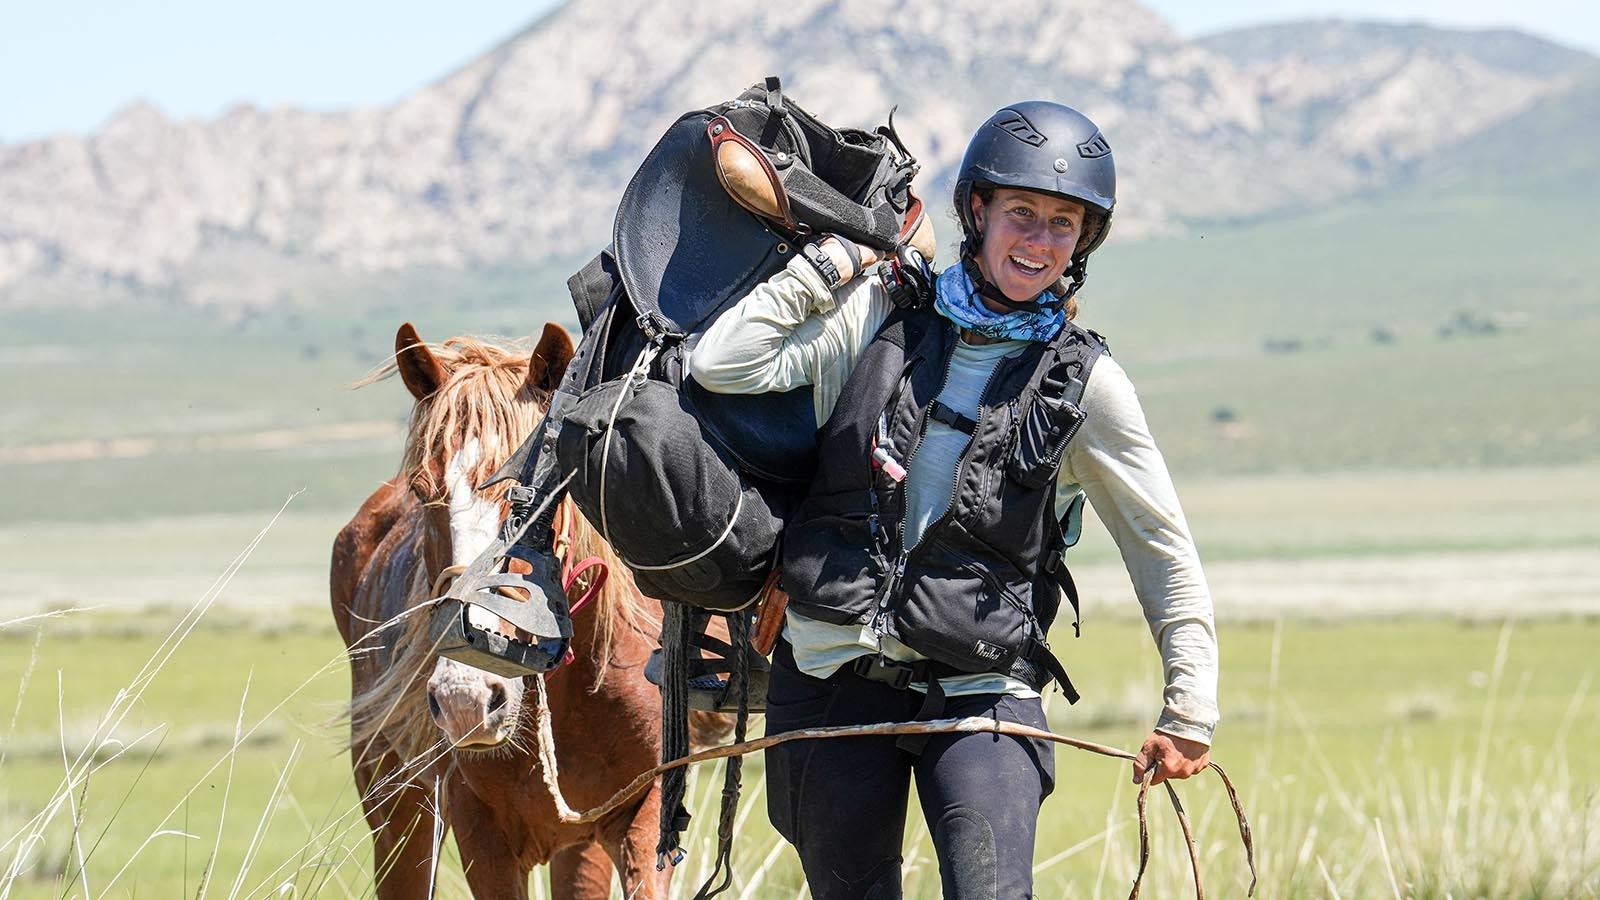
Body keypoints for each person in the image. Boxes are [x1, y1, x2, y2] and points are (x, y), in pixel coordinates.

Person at [689, 101, 1219, 899]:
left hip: (981, 691)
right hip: (830, 673)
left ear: (1084, 242)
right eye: (1021, 214)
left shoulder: (1088, 386)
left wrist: (1190, 709)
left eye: (1062, 225)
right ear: (977, 211)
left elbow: (1161, 548)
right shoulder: (885, 314)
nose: (1039, 241)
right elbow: (722, 363)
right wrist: (838, 262)